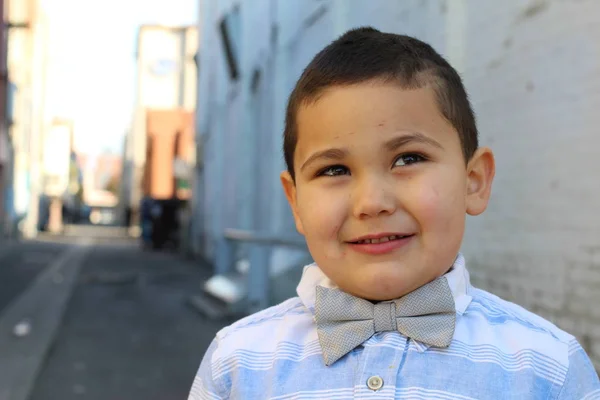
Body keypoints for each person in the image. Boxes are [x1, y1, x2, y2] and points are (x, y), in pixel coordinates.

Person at [188, 27, 600, 399]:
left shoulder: (549, 367)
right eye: (334, 169)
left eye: (407, 159)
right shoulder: (238, 363)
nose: (372, 202)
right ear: (295, 201)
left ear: (473, 181)